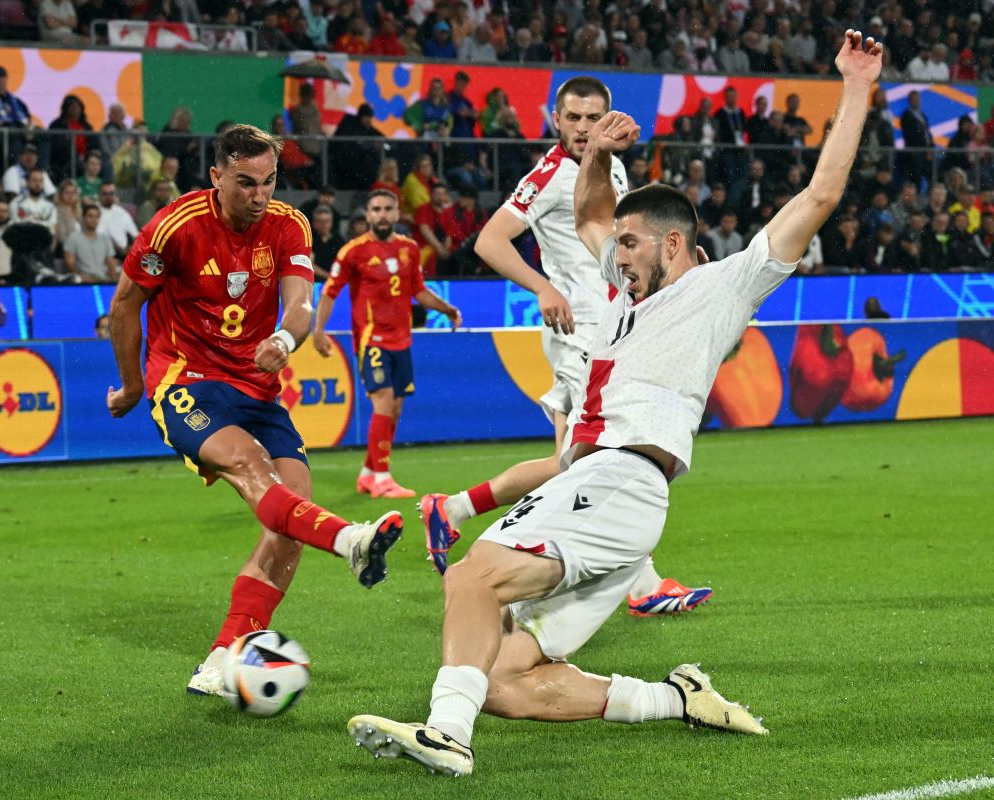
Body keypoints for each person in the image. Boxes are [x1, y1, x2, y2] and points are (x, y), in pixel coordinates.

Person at [350, 31, 884, 778]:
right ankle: (676, 698)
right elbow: (590, 211)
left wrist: (856, 86)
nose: (615, 256)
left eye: (629, 245)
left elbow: (820, 195)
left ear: (674, 245)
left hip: (620, 477)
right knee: (503, 679)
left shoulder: (720, 288)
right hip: (603, 490)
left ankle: (447, 734)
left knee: (470, 578)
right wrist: (596, 152)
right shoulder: (623, 293)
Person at [107, 124, 404, 697]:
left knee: (291, 519)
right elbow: (124, 305)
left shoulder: (289, 225)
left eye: (269, 182)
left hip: (260, 387)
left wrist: (285, 341)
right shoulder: (175, 226)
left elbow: (300, 304)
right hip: (187, 381)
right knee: (252, 468)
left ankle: (222, 658)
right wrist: (131, 385)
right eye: (246, 183)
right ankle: (349, 540)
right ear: (216, 176)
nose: (259, 195)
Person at [419, 76, 705, 618]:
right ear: (556, 120)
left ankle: (453, 510)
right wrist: (544, 288)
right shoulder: (548, 174)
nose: (583, 128)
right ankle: (639, 585)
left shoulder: (609, 167)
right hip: (580, 335)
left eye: (593, 118)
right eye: (573, 118)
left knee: (573, 462)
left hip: (609, 332)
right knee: (606, 454)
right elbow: (489, 241)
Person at [311, 190, 461, 498]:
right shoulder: (353, 252)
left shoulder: (409, 248)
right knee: (383, 400)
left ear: (396, 213)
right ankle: (382, 478)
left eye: (387, 209)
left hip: (401, 340)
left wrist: (448, 309)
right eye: (376, 209)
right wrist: (318, 330)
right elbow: (329, 291)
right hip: (372, 340)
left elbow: (419, 291)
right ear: (368, 215)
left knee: (394, 409)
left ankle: (368, 473)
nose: (381, 214)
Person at [64, 202, 117, 282]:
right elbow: (69, 262)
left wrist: (114, 281)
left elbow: (111, 262)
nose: (94, 220)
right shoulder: (73, 238)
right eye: (90, 216)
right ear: (83, 218)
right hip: (83, 282)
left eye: (97, 216)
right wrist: (80, 276)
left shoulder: (105, 239)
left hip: (103, 280)